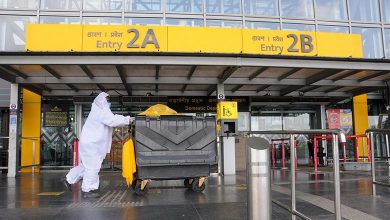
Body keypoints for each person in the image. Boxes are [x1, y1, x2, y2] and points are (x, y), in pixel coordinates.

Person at [63, 92, 133, 198]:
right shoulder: (100, 110)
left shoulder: (97, 110)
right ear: (102, 100)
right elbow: (112, 120)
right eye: (108, 100)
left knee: (86, 166)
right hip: (92, 144)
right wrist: (128, 119)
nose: (109, 102)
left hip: (90, 143)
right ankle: (88, 189)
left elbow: (110, 119)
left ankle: (68, 179)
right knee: (92, 166)